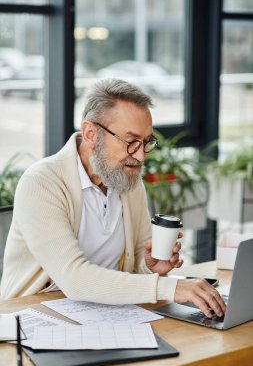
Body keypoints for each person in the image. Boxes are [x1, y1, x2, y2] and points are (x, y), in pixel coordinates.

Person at [0, 79, 225, 319]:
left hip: (102, 314)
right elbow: (74, 278)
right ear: (90, 134)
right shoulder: (41, 183)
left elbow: (136, 261)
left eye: (147, 142)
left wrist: (150, 266)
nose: (140, 155)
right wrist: (172, 288)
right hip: (32, 320)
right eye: (130, 142)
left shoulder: (129, 182)